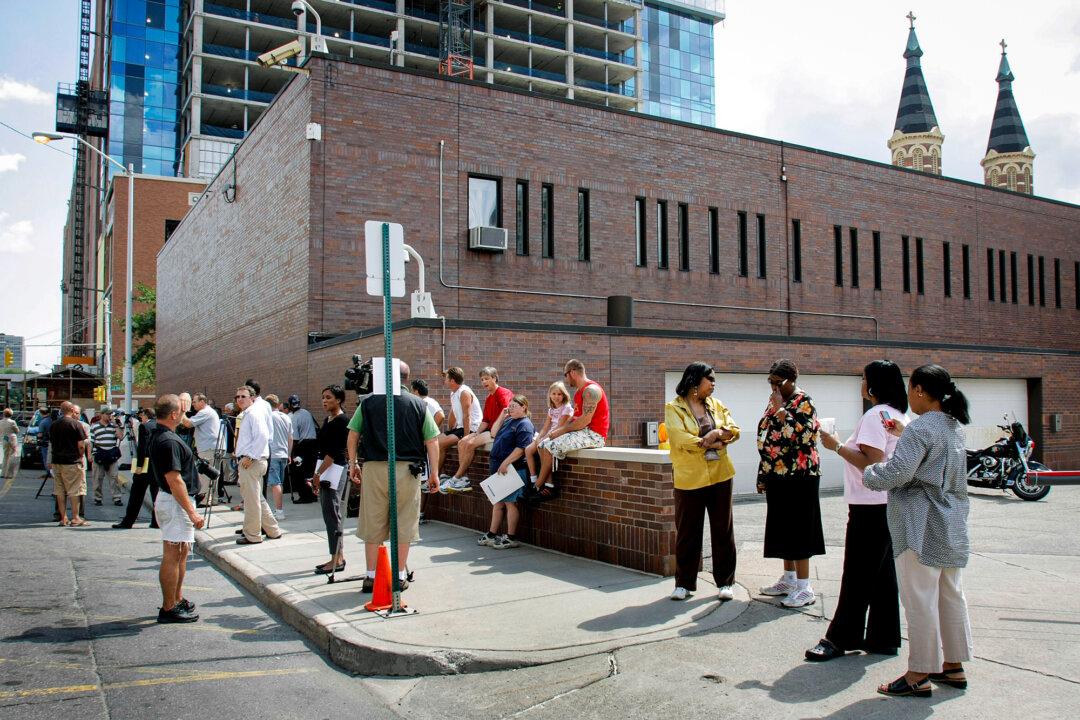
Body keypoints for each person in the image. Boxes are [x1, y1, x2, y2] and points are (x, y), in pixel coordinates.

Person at [863, 364, 973, 698]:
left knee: (919, 598)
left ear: (921, 391)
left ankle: (918, 673)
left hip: (919, 523)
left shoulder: (921, 428)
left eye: (912, 388)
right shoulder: (954, 427)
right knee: (950, 593)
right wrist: (903, 434)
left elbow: (898, 472)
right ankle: (953, 666)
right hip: (951, 523)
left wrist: (869, 472)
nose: (909, 394)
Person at [805, 360, 908, 661]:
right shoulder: (898, 415)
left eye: (863, 378)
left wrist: (835, 445)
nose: (860, 384)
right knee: (882, 575)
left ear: (873, 384)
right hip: (890, 504)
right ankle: (883, 637)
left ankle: (839, 638)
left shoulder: (876, 415)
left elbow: (872, 462)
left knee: (857, 573)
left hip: (870, 504)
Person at [346, 369, 440, 593]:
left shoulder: (368, 403)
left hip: (374, 467)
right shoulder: (419, 404)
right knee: (405, 521)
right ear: (406, 379)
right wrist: (434, 472)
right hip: (407, 469)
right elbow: (432, 440)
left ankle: (371, 576)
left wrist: (353, 463)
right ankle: (398, 576)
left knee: (373, 521)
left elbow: (352, 434)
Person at [664, 362, 741, 602]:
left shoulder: (716, 406)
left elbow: (734, 430)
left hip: (720, 475)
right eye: (711, 380)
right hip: (689, 478)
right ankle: (684, 584)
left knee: (723, 530)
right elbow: (679, 439)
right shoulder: (673, 408)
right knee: (688, 531)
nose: (714, 385)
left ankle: (726, 582)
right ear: (696, 382)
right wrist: (710, 442)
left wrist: (717, 433)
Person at [756, 358, 824, 609]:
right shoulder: (775, 400)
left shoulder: (803, 400)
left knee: (799, 529)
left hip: (800, 476)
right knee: (782, 528)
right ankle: (789, 579)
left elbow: (806, 436)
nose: (773, 388)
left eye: (777, 383)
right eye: (770, 382)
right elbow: (766, 435)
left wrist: (782, 411)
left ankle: (805, 588)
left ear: (791, 380)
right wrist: (763, 472)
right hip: (777, 474)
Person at [149, 394, 206, 623]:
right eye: (181, 411)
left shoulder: (161, 434)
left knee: (180, 553)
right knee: (173, 555)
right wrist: (191, 512)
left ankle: (176, 598)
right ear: (173, 415)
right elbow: (175, 480)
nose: (185, 413)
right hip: (175, 503)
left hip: (173, 502)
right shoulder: (168, 441)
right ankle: (168, 607)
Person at [534, 359, 609, 500]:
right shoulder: (578, 393)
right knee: (542, 444)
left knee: (550, 446)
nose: (566, 379)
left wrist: (560, 432)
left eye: (565, 375)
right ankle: (549, 487)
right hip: (581, 432)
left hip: (594, 435)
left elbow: (584, 421)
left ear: (572, 373)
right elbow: (574, 418)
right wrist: (555, 432)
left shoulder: (591, 391)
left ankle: (537, 486)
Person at [477, 395, 535, 550]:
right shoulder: (509, 420)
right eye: (510, 406)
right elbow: (494, 433)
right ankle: (492, 534)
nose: (511, 408)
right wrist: (502, 416)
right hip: (499, 468)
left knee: (510, 503)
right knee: (497, 502)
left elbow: (521, 449)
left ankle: (511, 537)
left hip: (512, 469)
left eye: (515, 406)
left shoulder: (525, 425)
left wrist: (506, 462)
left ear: (524, 407)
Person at [441, 367, 514, 491]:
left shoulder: (502, 392)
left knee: (469, 444)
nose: (484, 382)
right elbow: (485, 420)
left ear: (494, 378)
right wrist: (476, 433)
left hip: (501, 430)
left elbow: (506, 413)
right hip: (488, 430)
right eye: (482, 380)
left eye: (487, 379)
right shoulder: (489, 398)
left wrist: (490, 431)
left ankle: (457, 478)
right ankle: (464, 479)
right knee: (462, 442)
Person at [234, 385, 283, 544]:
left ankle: (253, 535)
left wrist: (250, 456)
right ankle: (273, 530)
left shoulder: (253, 413)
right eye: (238, 397)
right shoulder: (249, 413)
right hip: (254, 461)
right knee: (257, 498)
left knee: (251, 501)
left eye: (243, 396)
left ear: (252, 398)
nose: (240, 399)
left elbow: (263, 436)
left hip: (252, 462)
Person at [312, 385, 349, 574]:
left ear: (339, 400)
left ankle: (337, 558)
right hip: (325, 468)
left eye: (328, 397)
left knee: (332, 514)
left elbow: (334, 452)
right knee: (328, 514)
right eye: (323, 397)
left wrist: (318, 475)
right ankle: (335, 555)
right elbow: (323, 449)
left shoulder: (342, 421)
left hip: (335, 469)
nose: (324, 400)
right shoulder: (327, 419)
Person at [436, 367, 482, 487]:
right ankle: (442, 475)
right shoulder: (453, 392)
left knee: (440, 444)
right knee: (436, 442)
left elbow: (467, 416)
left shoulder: (464, 392)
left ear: (452, 380)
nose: (444, 380)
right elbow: (453, 413)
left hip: (472, 427)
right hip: (460, 427)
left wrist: (466, 437)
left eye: (446, 378)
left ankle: (464, 478)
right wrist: (450, 430)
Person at [114, 408, 160, 529]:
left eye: (142, 415)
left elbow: (142, 448)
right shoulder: (160, 425)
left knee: (136, 494)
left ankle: (128, 521)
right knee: (156, 494)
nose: (141, 417)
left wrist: (139, 466)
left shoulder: (144, 427)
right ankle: (156, 521)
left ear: (146, 415)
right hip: (157, 466)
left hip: (145, 465)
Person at [524, 382, 574, 487]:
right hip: (550, 433)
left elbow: (559, 426)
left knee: (542, 446)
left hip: (560, 433)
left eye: (559, 394)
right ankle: (533, 478)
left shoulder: (567, 407)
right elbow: (546, 427)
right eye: (554, 394)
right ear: (550, 395)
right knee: (528, 450)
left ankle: (549, 481)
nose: (556, 396)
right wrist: (538, 438)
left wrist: (543, 439)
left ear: (564, 395)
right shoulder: (551, 410)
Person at [180, 393, 223, 507]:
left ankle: (204, 500)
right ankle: (213, 499)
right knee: (213, 475)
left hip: (209, 447)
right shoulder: (209, 412)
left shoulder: (205, 412)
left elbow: (188, 424)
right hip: (214, 447)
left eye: (194, 401)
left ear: (202, 402)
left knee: (205, 474)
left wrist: (182, 410)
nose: (192, 404)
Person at [50, 402, 89, 527]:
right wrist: (81, 455)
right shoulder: (76, 424)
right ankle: (76, 517)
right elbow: (81, 445)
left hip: (57, 461)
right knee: (74, 490)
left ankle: (63, 518)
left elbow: (51, 443)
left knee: (59, 490)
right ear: (72, 410)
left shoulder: (54, 425)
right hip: (72, 461)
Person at [286, 394, 319, 503]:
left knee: (300, 472)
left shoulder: (294, 417)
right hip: (313, 444)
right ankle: (313, 495)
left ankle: (305, 497)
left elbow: (294, 438)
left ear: (290, 405)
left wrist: (290, 453)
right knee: (311, 471)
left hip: (302, 446)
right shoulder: (307, 412)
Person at [265, 394, 292, 520]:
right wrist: (289, 453)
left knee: (275, 483)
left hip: (273, 454)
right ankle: (279, 510)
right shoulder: (286, 417)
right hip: (283, 454)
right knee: (279, 483)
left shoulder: (269, 417)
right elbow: (290, 437)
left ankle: (279, 511)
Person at [90, 409, 123, 507]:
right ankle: (98, 498)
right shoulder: (94, 426)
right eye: (108, 414)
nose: (110, 416)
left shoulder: (114, 426)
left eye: (110, 414)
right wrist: (89, 454)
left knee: (114, 477)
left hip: (112, 454)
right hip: (99, 454)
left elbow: (120, 437)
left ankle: (117, 498)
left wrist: (116, 425)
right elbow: (91, 441)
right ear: (102, 415)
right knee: (98, 478)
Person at [38, 407, 55, 479]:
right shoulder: (52, 420)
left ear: (41, 413)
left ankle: (49, 472)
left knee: (46, 458)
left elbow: (40, 434)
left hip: (45, 443)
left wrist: (38, 443)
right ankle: (53, 472)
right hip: (53, 442)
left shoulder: (43, 422)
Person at [0, 408, 17, 479]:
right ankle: (10, 474)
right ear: (11, 414)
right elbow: (17, 430)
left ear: (4, 414)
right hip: (12, 438)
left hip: (4, 439)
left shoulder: (0, 422)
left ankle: (3, 473)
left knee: (5, 456)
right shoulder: (12, 422)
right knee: (12, 455)